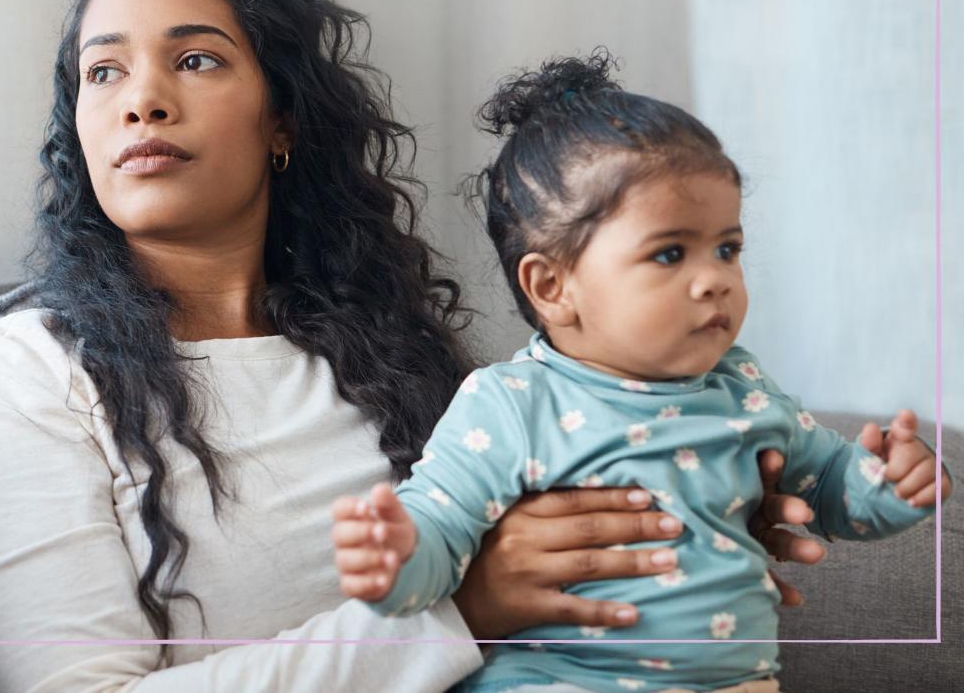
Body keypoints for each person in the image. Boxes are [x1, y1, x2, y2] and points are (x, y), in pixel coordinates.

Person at [0, 0, 826, 692]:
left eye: (196, 58)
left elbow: (532, 532)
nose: (143, 103)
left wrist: (683, 516)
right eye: (103, 74)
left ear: (282, 118)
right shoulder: (35, 374)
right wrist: (458, 615)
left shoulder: (383, 351)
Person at [331, 52, 952, 693]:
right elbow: (439, 531)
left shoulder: (744, 389)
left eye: (727, 249)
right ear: (552, 286)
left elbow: (829, 489)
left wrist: (892, 482)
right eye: (670, 253)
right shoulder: (512, 404)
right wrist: (396, 556)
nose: (714, 279)